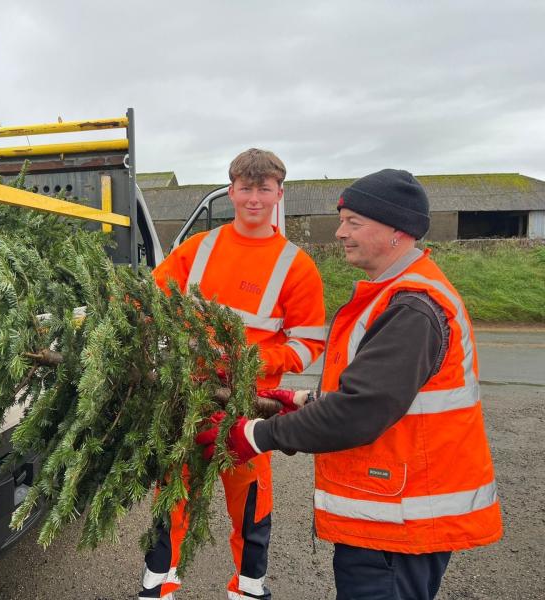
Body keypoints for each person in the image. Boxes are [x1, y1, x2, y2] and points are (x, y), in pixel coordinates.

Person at [197, 169, 503, 599]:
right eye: (342, 220)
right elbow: (377, 394)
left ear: (397, 230)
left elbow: (360, 411)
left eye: (353, 222)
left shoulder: (413, 306)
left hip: (400, 523)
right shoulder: (390, 293)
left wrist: (255, 435)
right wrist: (304, 400)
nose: (340, 233)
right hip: (390, 514)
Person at [138, 149, 327, 600]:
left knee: (250, 503)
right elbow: (150, 303)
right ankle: (157, 587)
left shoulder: (295, 265)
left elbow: (309, 344)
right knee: (171, 497)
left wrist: (249, 364)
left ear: (279, 193)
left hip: (246, 409)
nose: (254, 198)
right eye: (246, 188)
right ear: (232, 192)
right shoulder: (198, 249)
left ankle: (247, 588)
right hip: (186, 400)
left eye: (264, 189)